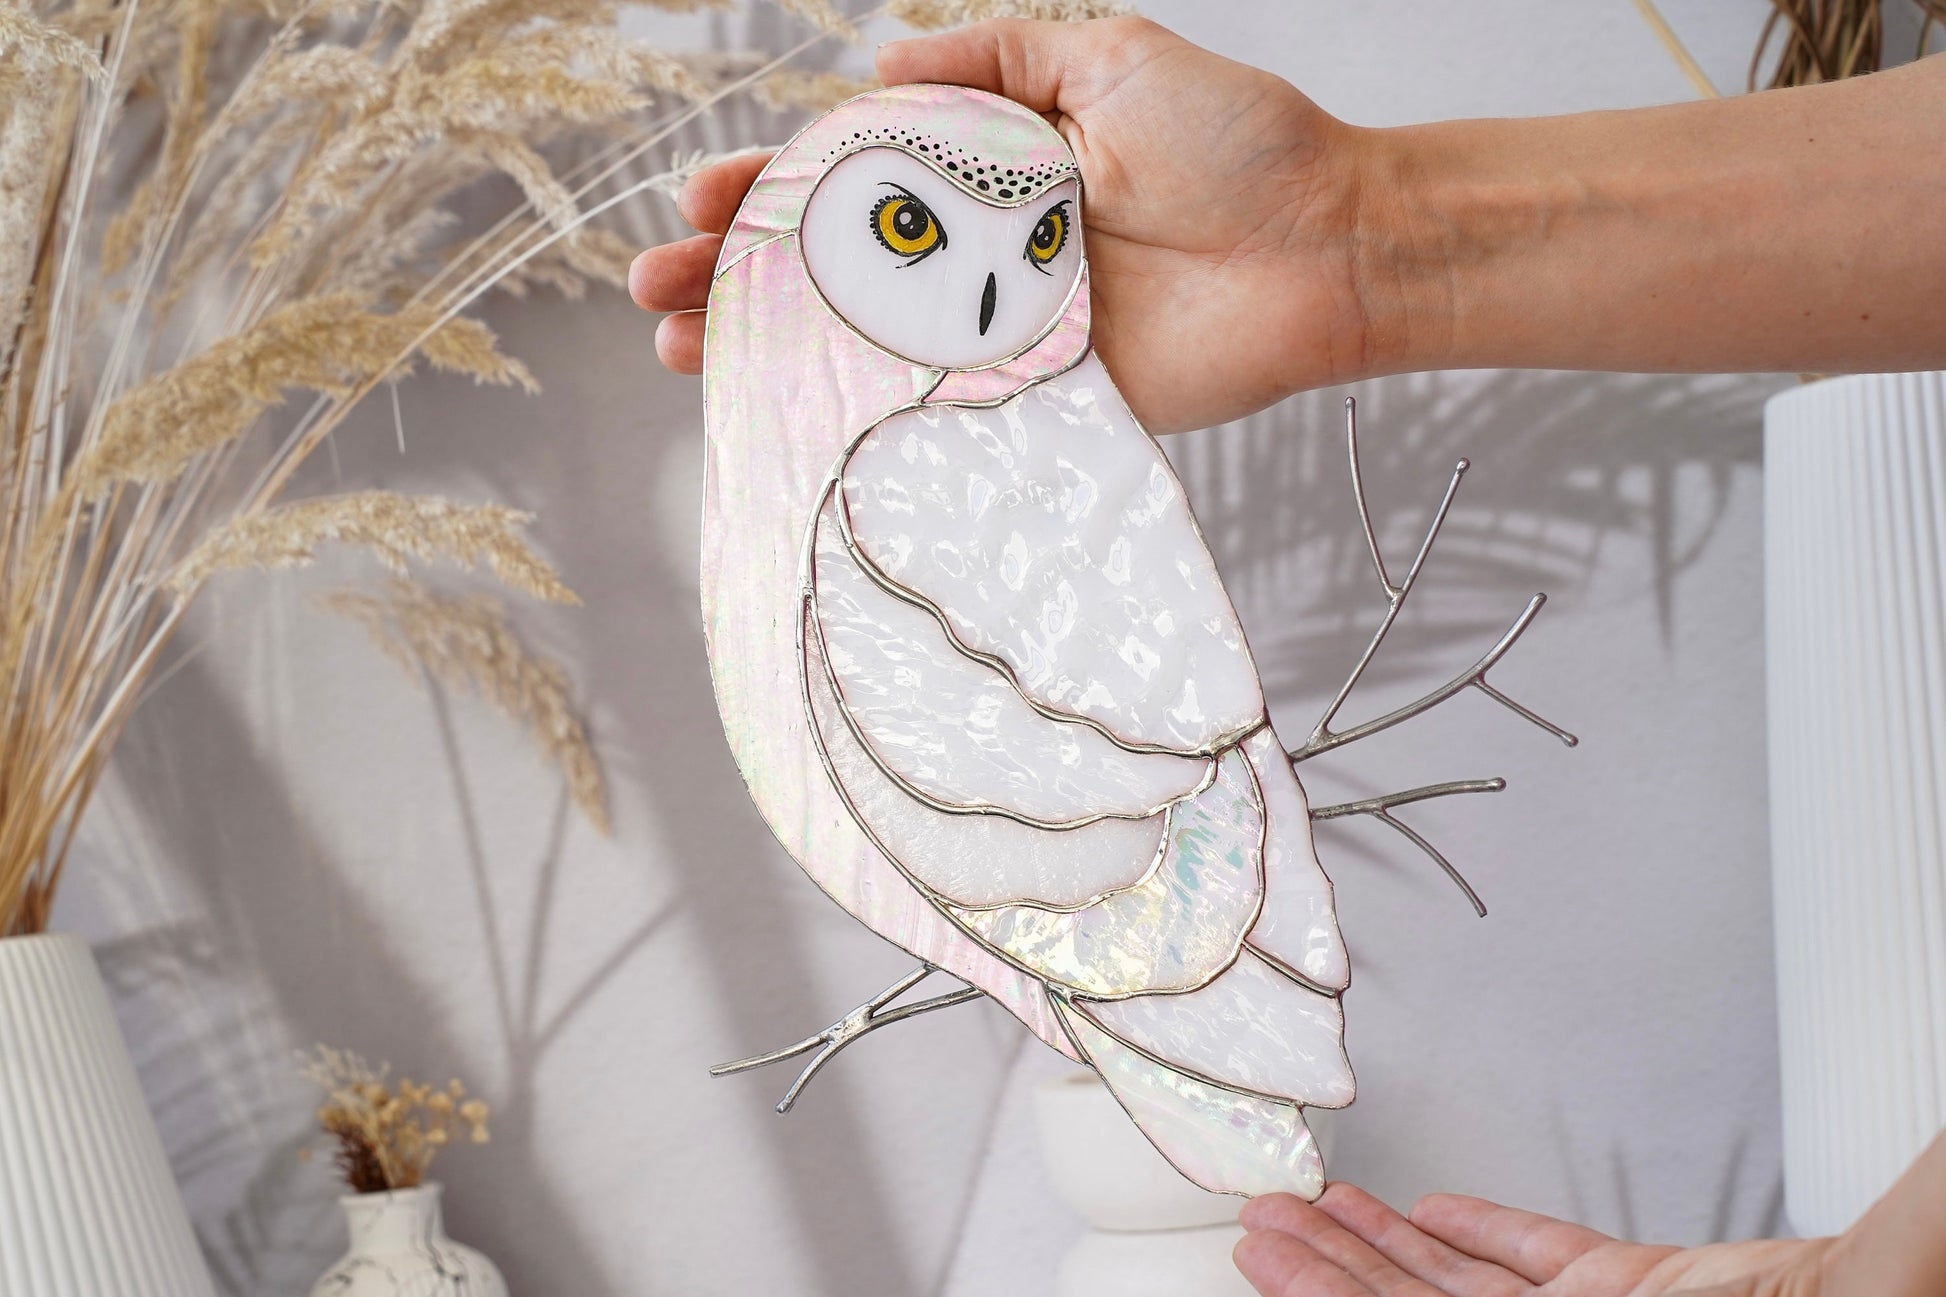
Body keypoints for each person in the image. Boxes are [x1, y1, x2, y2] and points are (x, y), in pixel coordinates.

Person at [628, 17, 1946, 1296]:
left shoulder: (936, 472)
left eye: (1039, 239)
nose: (984, 285)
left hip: (1153, 937)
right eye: (910, 228)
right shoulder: (973, 457)